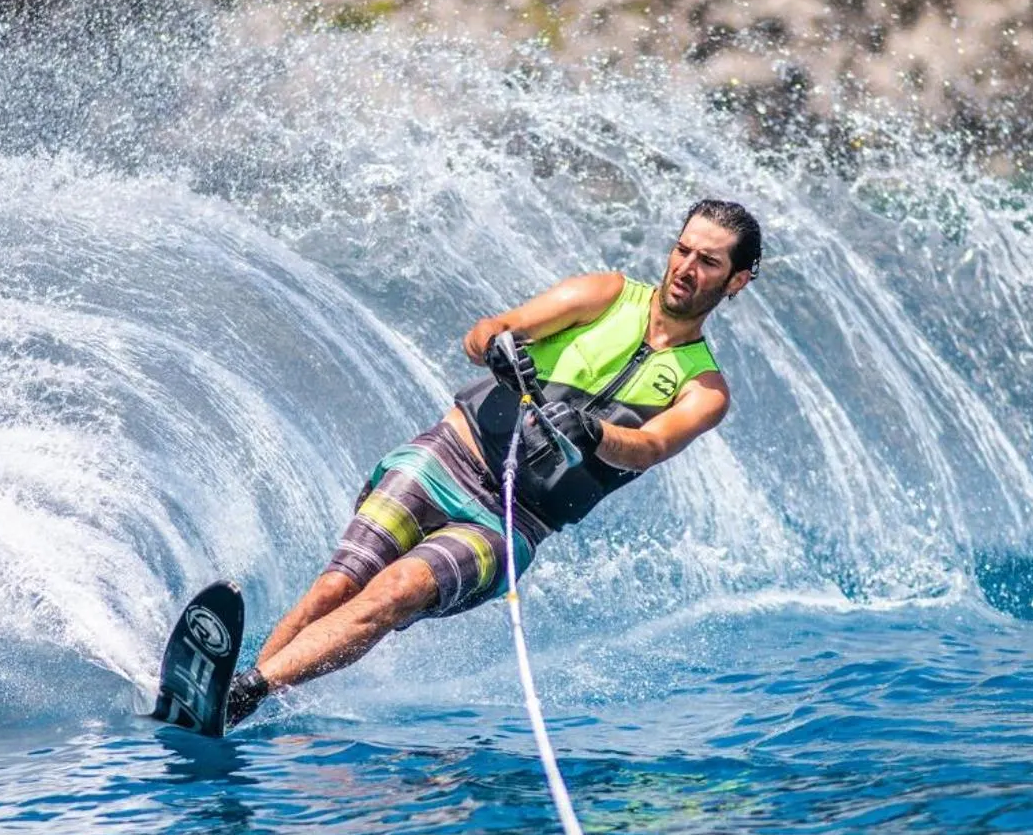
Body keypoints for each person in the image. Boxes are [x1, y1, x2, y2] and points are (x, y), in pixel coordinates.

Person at [219, 198, 762, 730]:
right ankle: (234, 697)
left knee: (396, 591)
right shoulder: (606, 294)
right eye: (682, 250)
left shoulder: (704, 387)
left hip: (510, 522)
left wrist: (596, 432)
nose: (686, 269)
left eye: (708, 261)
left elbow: (650, 447)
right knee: (339, 586)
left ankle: (247, 694)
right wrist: (496, 346)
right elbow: (486, 332)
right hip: (451, 455)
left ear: (735, 281)